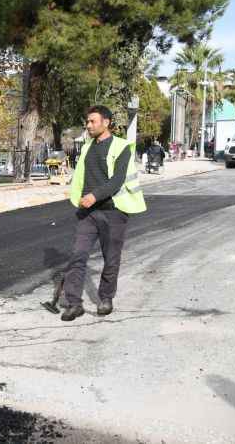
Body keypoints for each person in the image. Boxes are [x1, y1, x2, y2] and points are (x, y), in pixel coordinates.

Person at [61, 105, 147, 321]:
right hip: (87, 213)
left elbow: (117, 180)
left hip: (113, 212)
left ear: (106, 122)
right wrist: (83, 199)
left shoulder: (121, 147)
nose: (88, 125)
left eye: (92, 121)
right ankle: (74, 303)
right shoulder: (88, 147)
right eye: (87, 122)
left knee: (111, 258)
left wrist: (94, 196)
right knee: (77, 256)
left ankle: (106, 298)